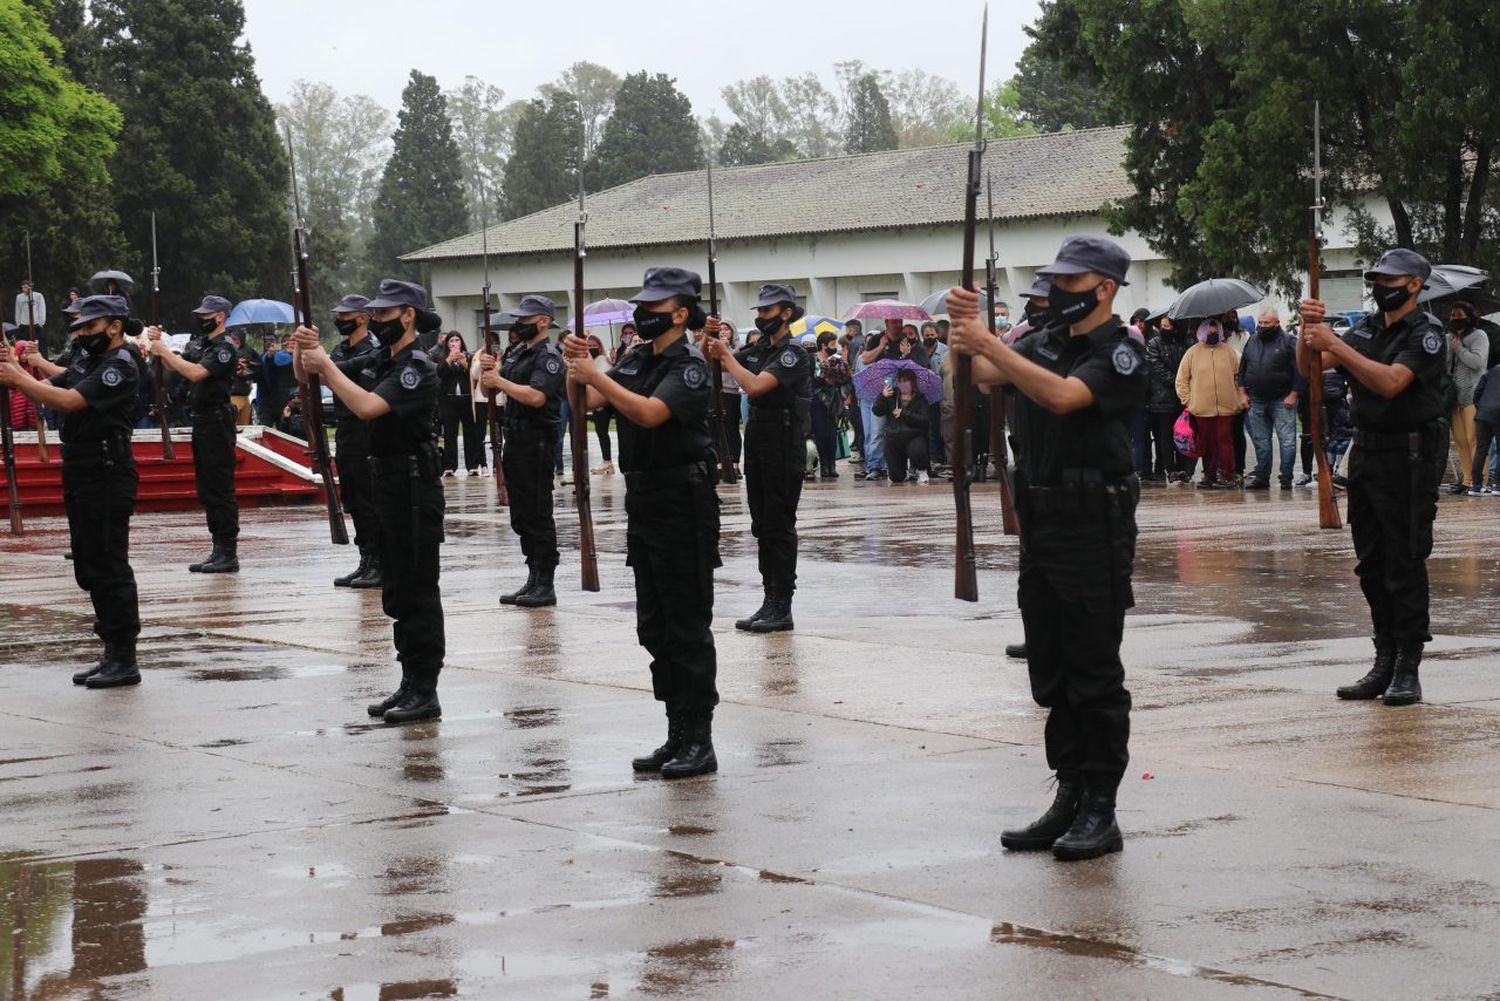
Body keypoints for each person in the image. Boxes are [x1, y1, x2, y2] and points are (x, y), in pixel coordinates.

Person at [946, 234, 1144, 862]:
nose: (1056, 291)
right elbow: (979, 376)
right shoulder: (1044, 341)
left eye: (1070, 282)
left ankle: (1101, 809)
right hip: (1042, 523)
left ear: (1104, 288)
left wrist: (989, 347)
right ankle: (1068, 792)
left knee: (1093, 673)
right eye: (1053, 280)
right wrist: (965, 331)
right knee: (1052, 672)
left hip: (1094, 524)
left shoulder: (1121, 353)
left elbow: (1062, 398)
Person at [561, 266, 721, 779]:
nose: (641, 315)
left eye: (652, 308)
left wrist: (596, 375)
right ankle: (675, 732)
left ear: (679, 313)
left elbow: (650, 414)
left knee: (686, 623)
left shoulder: (688, 364)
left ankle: (699, 738)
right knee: (654, 624)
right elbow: (586, 403)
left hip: (683, 499)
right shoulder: (636, 357)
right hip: (646, 500)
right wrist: (577, 368)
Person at [1300, 248, 1448, 707]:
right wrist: (1308, 336)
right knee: (1371, 563)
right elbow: (1310, 370)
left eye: (1390, 279)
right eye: (1377, 278)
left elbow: (1390, 383)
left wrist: (1336, 345)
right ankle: (1383, 660)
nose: (1381, 286)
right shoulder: (1366, 327)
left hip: (1410, 455)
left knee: (1404, 561)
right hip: (1366, 452)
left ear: (1415, 285)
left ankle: (1408, 666)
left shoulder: (1426, 334)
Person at [293, 278, 445, 723]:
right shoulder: (381, 357)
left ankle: (425, 689)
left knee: (417, 590)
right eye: (374, 314)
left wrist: (326, 365)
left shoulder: (418, 365)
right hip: (388, 483)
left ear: (408, 315)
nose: (376, 321)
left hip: (415, 487)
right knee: (396, 589)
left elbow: (366, 407)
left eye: (383, 314)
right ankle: (409, 682)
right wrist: (308, 354)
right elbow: (313, 376)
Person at [1, 296, 141, 687]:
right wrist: (15, 368)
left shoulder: (121, 365)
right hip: (81, 466)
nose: (81, 334)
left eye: (89, 327)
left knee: (110, 562)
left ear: (114, 325)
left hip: (107, 469)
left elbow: (70, 401)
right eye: (79, 328)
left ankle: (125, 656)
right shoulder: (87, 359)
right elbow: (48, 385)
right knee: (89, 561)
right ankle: (110, 650)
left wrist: (17, 377)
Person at [702, 283, 811, 633]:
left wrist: (726, 355)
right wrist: (709, 341)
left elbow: (755, 386)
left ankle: (783, 602)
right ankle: (769, 598)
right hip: (759, 442)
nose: (761, 317)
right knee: (762, 524)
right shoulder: (758, 349)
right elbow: (713, 364)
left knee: (779, 523)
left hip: (783, 443)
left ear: (786, 313)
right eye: (759, 311)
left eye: (767, 311)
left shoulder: (793, 354)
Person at [478, 295, 566, 608]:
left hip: (537, 441)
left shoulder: (549, 356)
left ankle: (546, 581)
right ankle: (532, 575)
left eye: (526, 319)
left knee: (538, 513)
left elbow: (537, 396)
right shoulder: (517, 352)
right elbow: (490, 390)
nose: (519, 324)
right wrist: (488, 374)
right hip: (514, 440)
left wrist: (499, 380)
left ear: (543, 321)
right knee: (521, 515)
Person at [147, 295, 240, 572]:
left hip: (217, 421)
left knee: (220, 486)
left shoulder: (225, 348)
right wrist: (156, 346)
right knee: (207, 486)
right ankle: (217, 547)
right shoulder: (201, 344)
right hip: (200, 420)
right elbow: (176, 366)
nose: (201, 319)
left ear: (220, 316)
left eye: (206, 315)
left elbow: (197, 373)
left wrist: (163, 351)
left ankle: (228, 551)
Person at [328, 293, 383, 588]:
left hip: (367, 429)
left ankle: (379, 562)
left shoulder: (373, 349)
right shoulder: (340, 350)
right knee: (353, 498)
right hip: (346, 428)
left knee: (369, 497)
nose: (340, 320)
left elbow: (335, 374)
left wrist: (324, 366)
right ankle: (366, 559)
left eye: (346, 315)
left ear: (363, 317)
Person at [1175, 318, 1242, 489]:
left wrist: (1237, 395)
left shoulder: (1229, 352)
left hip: (1227, 407)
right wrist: (1189, 401)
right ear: (1201, 332)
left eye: (1215, 332)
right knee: (1207, 443)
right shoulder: (1192, 353)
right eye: (1209, 332)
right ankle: (1209, 475)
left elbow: (1238, 377)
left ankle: (1228, 475)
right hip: (1201, 408)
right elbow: (1181, 380)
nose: (1212, 334)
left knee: (1225, 441)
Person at [1237, 308, 1300, 489]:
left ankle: (1286, 478)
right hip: (1256, 399)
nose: (1262, 326)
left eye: (1267, 323)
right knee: (1261, 441)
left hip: (1282, 399)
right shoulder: (1252, 340)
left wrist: (1294, 394)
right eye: (1261, 323)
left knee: (1287, 441)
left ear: (1277, 323)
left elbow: (1300, 371)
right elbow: (1242, 370)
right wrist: (1242, 393)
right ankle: (1262, 477)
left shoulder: (1289, 341)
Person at [1445, 301, 1489, 494]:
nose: (1455, 318)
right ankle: (1467, 479)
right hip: (1454, 397)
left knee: (1474, 440)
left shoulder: (1479, 336)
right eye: (1452, 315)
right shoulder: (1449, 338)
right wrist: (1449, 347)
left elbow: (1478, 363)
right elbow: (1446, 367)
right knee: (1461, 441)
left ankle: (1480, 480)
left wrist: (1459, 349)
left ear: (1469, 316)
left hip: (1473, 395)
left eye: (1459, 315)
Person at [1144, 315, 1189, 484]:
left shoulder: (1184, 343)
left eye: (1167, 326)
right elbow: (1155, 366)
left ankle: (1183, 468)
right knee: (1165, 436)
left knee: (1184, 434)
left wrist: (1183, 384)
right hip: (1161, 398)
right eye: (1162, 326)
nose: (1164, 329)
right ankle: (1170, 469)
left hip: (1182, 398)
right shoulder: (1154, 344)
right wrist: (1178, 380)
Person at [437, 331, 485, 477]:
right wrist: (449, 360)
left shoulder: (469, 357)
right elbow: (440, 373)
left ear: (461, 342)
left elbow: (473, 375)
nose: (454, 343)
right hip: (449, 400)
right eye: (451, 341)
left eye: (457, 340)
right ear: (447, 344)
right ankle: (450, 466)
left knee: (470, 432)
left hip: (466, 399)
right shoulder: (443, 357)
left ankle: (472, 465)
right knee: (450, 434)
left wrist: (465, 364)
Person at [873, 368, 930, 483]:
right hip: (894, 437)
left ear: (913, 383)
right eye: (900, 381)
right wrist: (882, 397)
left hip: (914, 435)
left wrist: (904, 413)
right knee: (896, 478)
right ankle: (903, 473)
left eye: (906, 381)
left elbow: (924, 420)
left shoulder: (920, 398)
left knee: (917, 451)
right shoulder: (892, 395)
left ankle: (921, 469)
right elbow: (877, 411)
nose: (903, 384)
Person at [809, 331, 848, 478]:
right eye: (832, 344)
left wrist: (838, 378)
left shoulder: (836, 359)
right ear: (823, 345)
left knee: (831, 434)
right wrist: (823, 379)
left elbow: (844, 379)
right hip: (817, 400)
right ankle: (824, 465)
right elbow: (810, 380)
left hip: (832, 401)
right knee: (820, 433)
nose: (834, 347)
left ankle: (832, 465)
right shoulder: (813, 359)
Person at [586, 334, 616, 475]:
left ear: (599, 346)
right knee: (601, 431)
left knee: (602, 431)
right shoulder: (589, 362)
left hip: (604, 400)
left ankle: (608, 461)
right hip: (596, 399)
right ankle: (607, 461)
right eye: (589, 346)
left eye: (594, 345)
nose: (592, 348)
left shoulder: (603, 360)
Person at [1470, 358, 1500, 494]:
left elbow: (1477, 393)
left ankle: (1475, 486)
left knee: (1481, 450)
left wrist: (1481, 409)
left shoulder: (1490, 372)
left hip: (1483, 415)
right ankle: (1497, 486)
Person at [227, 332, 257, 426]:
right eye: (232, 339)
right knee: (232, 425)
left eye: (235, 339)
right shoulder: (225, 351)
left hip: (245, 394)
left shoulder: (250, 351)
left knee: (244, 428)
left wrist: (246, 373)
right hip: (232, 394)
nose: (234, 341)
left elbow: (258, 369)